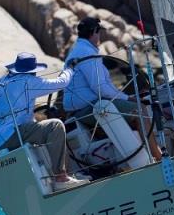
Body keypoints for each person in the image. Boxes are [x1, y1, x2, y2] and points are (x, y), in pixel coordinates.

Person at [63, 17, 162, 160]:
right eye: (99, 32)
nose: (100, 36)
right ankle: (158, 156)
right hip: (89, 109)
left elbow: (104, 87)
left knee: (134, 107)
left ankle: (143, 156)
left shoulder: (79, 50)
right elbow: (101, 89)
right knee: (140, 109)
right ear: (93, 33)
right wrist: (129, 98)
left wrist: (126, 97)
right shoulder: (86, 53)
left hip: (82, 108)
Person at [0, 52, 87, 191]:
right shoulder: (27, 81)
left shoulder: (1, 82)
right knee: (55, 126)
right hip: (14, 134)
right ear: (32, 72)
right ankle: (61, 178)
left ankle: (66, 174)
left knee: (41, 128)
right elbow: (62, 83)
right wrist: (69, 68)